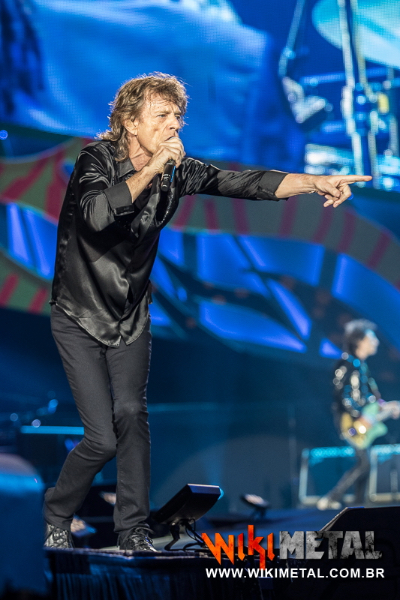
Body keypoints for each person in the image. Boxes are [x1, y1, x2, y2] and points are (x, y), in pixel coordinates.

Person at [43, 73, 371, 550]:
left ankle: (133, 530)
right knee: (102, 439)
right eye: (162, 116)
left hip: (130, 314)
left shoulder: (179, 171)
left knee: (132, 415)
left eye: (178, 117)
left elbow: (245, 182)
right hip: (79, 312)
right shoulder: (97, 160)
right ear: (130, 123)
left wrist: (314, 182)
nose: (174, 125)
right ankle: (56, 513)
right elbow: (95, 216)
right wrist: (152, 169)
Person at [317, 320, 400, 510]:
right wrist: (358, 416)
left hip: (362, 419)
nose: (376, 342)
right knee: (364, 463)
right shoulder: (347, 364)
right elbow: (341, 394)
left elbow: (369, 399)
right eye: (372, 338)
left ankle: (358, 505)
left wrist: (387, 407)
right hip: (352, 423)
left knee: (366, 463)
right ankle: (332, 497)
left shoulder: (361, 366)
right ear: (359, 341)